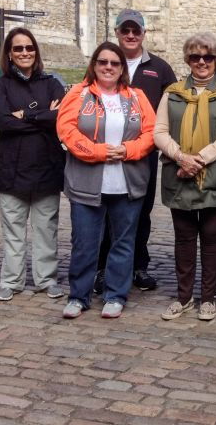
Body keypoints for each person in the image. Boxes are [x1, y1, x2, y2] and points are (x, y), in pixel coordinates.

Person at [56, 41, 156, 319]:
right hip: (87, 182)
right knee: (85, 242)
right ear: (95, 64)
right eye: (103, 62)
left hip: (127, 182)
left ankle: (115, 294)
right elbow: (67, 131)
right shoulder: (78, 94)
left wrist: (128, 150)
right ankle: (79, 295)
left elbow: (150, 133)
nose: (108, 67)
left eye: (114, 63)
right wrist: (99, 152)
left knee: (123, 242)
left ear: (122, 68)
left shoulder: (136, 97)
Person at [154, 32, 216, 322]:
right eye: (195, 57)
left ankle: (207, 297)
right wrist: (181, 157)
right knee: (184, 238)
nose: (201, 62)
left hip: (215, 175)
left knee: (214, 238)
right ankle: (183, 296)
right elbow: (159, 131)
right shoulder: (172, 93)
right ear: (188, 60)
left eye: (207, 57)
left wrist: (199, 160)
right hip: (179, 174)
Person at [95, 9, 177, 293]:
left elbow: (172, 108)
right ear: (117, 32)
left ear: (144, 34)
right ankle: (103, 268)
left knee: (140, 212)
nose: (130, 35)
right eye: (125, 30)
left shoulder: (160, 68)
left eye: (136, 31)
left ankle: (138, 265)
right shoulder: (106, 62)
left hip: (143, 154)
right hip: (106, 152)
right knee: (105, 211)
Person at [0, 28, 66, 301]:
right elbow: (3, 123)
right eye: (18, 48)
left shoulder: (52, 83)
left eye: (29, 47)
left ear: (36, 51)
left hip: (46, 166)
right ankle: (12, 281)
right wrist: (42, 117)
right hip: (13, 169)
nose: (25, 53)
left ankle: (46, 280)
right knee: (14, 232)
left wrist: (27, 115)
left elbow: (60, 118)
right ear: (9, 54)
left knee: (46, 229)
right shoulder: (0, 86)